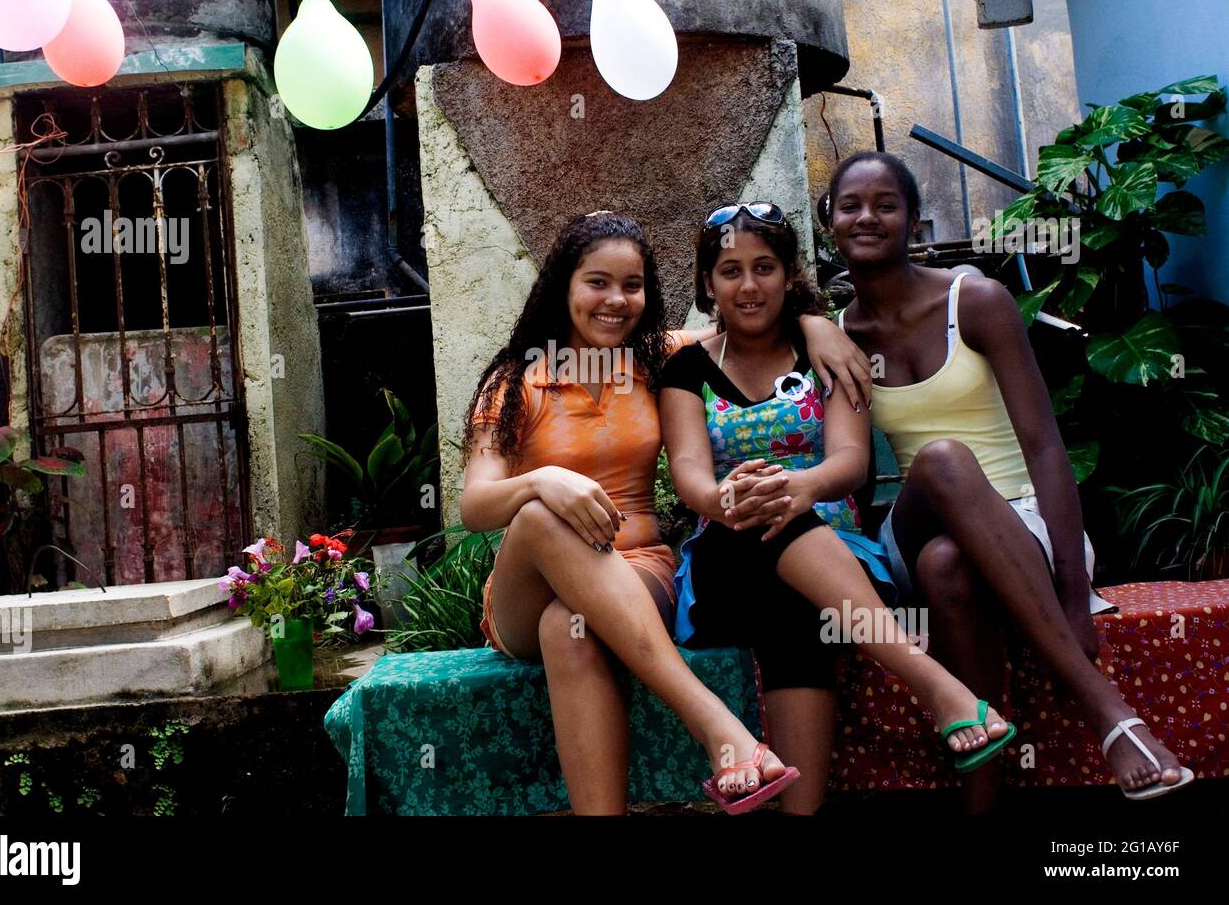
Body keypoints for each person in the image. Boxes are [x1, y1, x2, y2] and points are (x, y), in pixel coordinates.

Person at [459, 210, 870, 815]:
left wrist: (817, 325)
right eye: (597, 282)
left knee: (566, 632)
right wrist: (545, 480)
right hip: (527, 584)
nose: (616, 300)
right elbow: (474, 507)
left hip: (637, 568)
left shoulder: (657, 359)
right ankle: (717, 728)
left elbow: (750, 318)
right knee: (543, 516)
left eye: (632, 285)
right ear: (563, 287)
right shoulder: (517, 381)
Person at [828, 150, 1194, 807]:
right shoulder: (836, 338)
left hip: (1022, 521)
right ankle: (1110, 715)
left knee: (948, 567)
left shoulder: (976, 301)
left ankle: (983, 804)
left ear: (913, 221)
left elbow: (1046, 446)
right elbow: (846, 466)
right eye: (851, 204)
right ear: (829, 222)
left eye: (886, 204)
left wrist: (1077, 597)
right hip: (911, 523)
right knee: (939, 465)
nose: (867, 216)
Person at [659, 201, 1015, 815]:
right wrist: (727, 498)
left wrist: (802, 488)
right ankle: (935, 687)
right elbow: (689, 473)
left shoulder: (829, 351)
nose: (749, 286)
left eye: (765, 267)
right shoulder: (687, 368)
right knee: (764, 520)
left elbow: (850, 461)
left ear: (790, 273)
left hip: (835, 554)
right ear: (707, 283)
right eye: (731, 271)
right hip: (725, 557)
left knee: (793, 604)